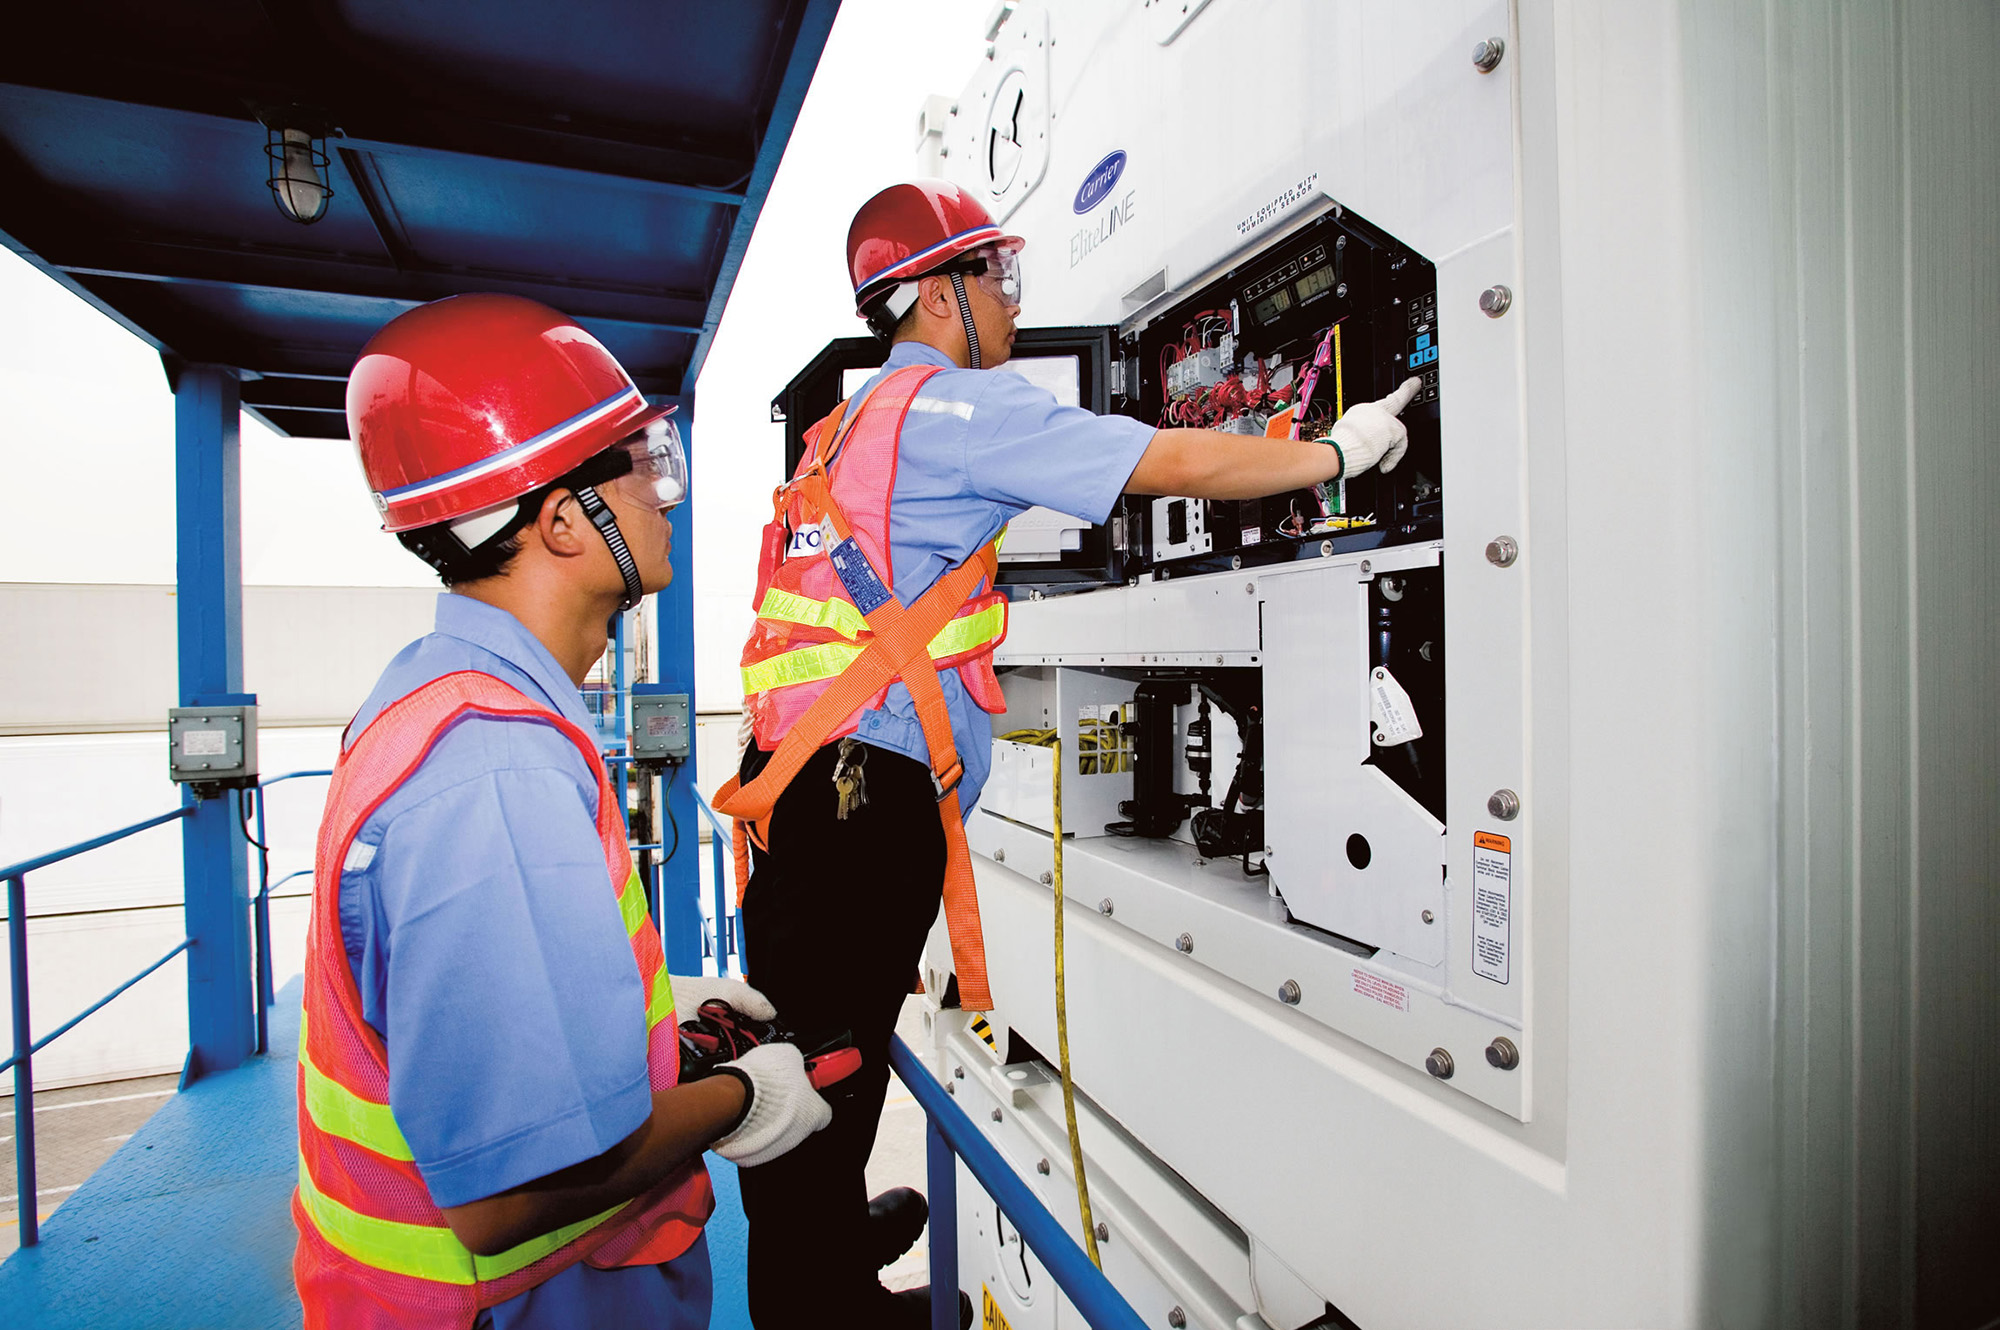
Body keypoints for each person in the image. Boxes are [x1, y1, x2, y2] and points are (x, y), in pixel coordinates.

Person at [714, 179, 1422, 1328]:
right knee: (823, 1066)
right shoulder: (959, 412)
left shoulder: (841, 429)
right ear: (936, 293)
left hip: (800, 791)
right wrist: (1332, 453)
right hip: (865, 799)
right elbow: (1169, 463)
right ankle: (820, 1305)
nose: (1006, 302)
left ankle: (831, 1254)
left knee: (819, 1038)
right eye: (996, 276)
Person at [293, 293, 835, 1330]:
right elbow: (507, 1198)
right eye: (637, 467)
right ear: (556, 521)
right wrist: (745, 1097)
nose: (663, 496)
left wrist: (642, 1021)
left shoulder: (441, 692)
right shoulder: (495, 771)